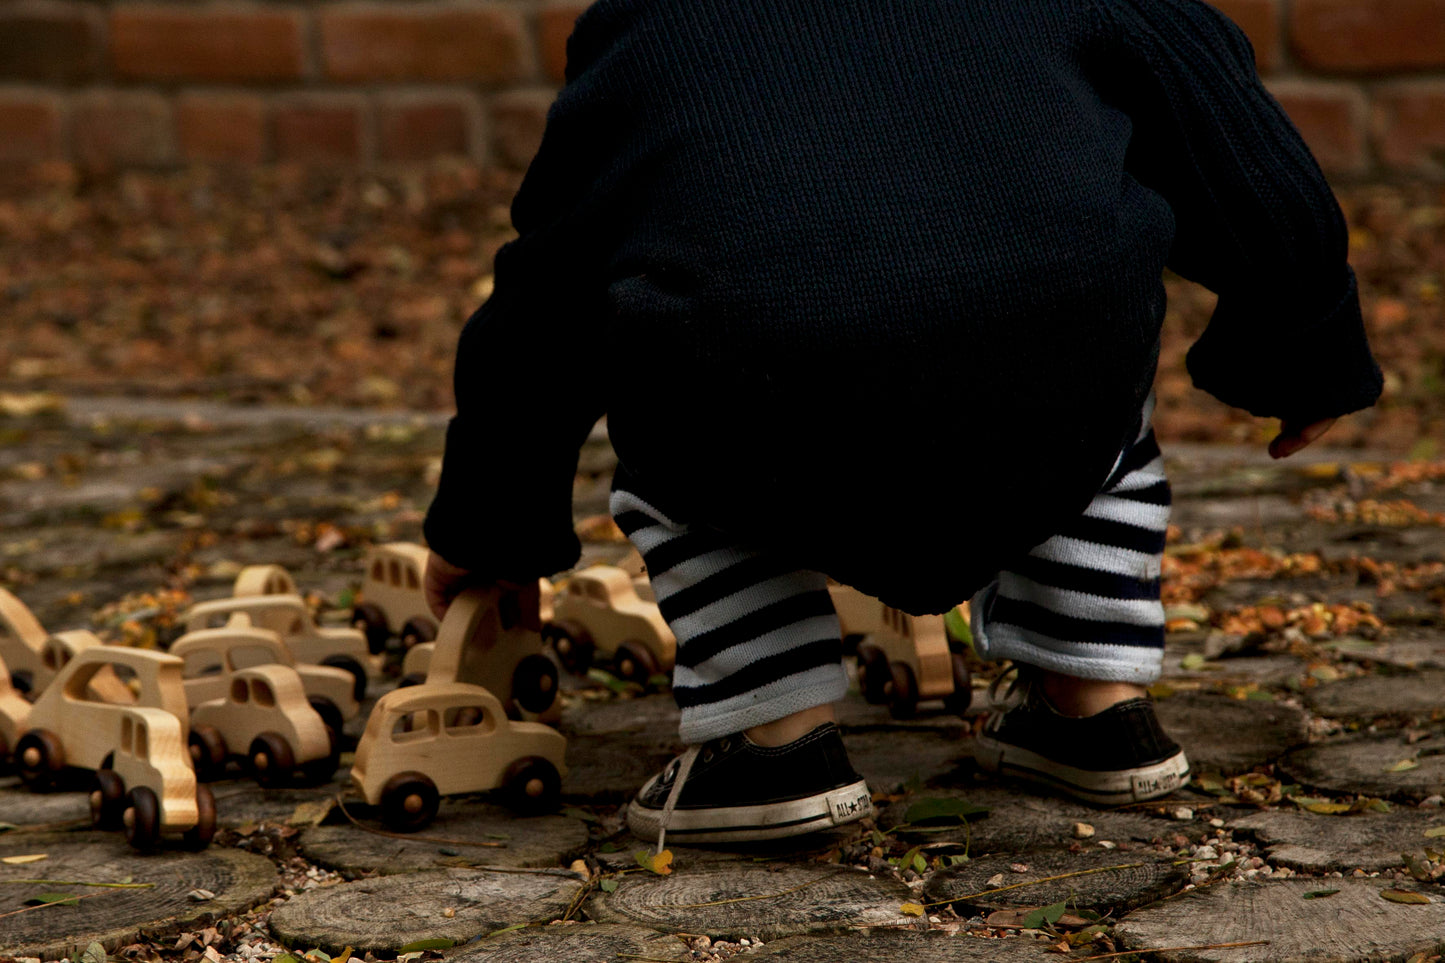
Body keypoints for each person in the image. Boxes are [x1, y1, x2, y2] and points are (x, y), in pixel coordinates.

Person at [422, 0, 1383, 847]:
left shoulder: (647, 21)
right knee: (1096, 390)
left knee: (677, 410)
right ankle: (1094, 706)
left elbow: (549, 289)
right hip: (1044, 390)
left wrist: (490, 524)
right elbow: (1244, 155)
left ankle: (772, 743)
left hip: (758, 404)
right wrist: (1305, 351)